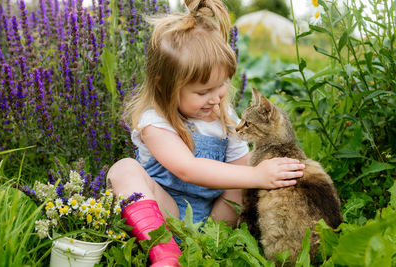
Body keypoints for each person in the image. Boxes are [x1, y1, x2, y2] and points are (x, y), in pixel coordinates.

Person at [107, 0, 305, 266]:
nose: (215, 99)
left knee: (241, 181)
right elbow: (187, 169)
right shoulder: (155, 121)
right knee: (123, 170)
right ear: (165, 87)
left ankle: (211, 247)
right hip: (167, 216)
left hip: (215, 221)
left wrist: (268, 174)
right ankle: (164, 252)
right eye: (202, 92)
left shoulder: (226, 119)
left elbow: (241, 169)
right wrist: (257, 175)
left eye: (221, 85)